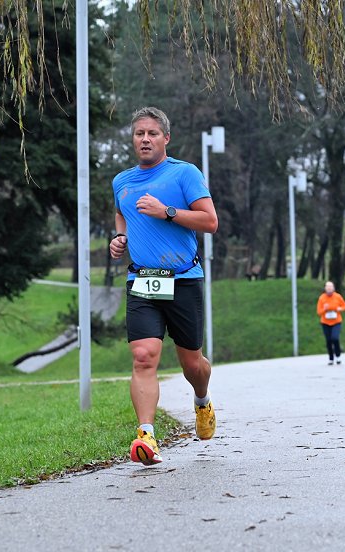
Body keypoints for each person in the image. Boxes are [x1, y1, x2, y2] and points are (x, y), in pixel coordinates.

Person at [109, 106, 219, 466]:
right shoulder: (121, 181)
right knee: (143, 357)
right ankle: (146, 436)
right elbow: (122, 213)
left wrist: (167, 211)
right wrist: (120, 238)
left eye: (152, 133)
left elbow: (210, 222)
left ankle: (202, 400)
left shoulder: (184, 173)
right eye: (139, 133)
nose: (145, 139)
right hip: (142, 280)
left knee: (192, 364)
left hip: (184, 279)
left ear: (165, 138)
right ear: (133, 139)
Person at [316, 281, 345, 365]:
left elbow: (344, 306)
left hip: (336, 321)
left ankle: (338, 355)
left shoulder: (338, 296)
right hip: (325, 322)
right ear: (325, 288)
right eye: (327, 287)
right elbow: (319, 312)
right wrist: (324, 309)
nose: (329, 288)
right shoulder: (322, 298)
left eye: (331, 287)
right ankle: (331, 358)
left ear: (333, 288)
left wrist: (340, 309)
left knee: (335, 338)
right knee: (328, 340)